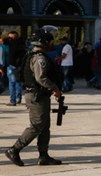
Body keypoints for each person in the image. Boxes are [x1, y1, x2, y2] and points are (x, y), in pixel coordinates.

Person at [4, 30, 62, 167]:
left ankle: (44, 155)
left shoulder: (32, 55)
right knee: (36, 126)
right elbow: (41, 78)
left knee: (45, 127)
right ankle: (14, 149)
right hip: (37, 95)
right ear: (44, 43)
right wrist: (55, 88)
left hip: (39, 95)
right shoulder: (39, 58)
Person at [4, 30, 26, 106]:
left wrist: (9, 37)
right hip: (19, 65)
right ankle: (18, 99)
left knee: (12, 83)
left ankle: (12, 101)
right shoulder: (22, 43)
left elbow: (3, 40)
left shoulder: (11, 43)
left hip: (12, 65)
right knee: (18, 82)